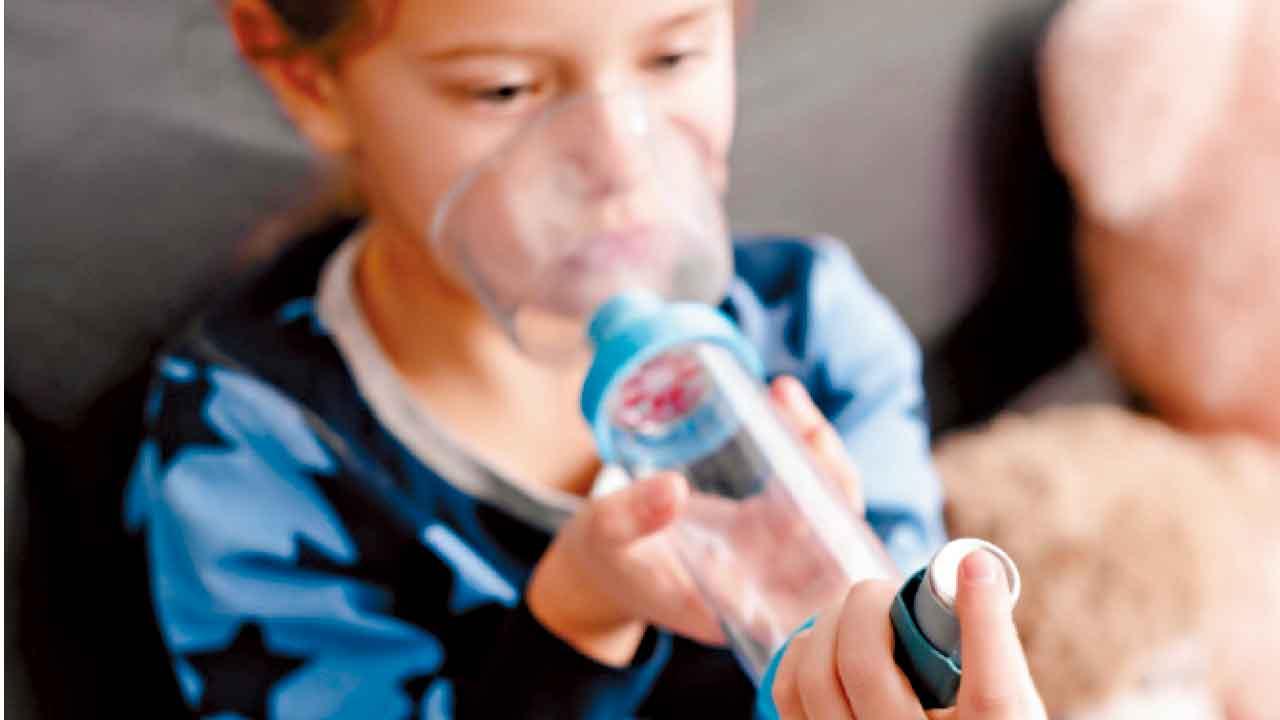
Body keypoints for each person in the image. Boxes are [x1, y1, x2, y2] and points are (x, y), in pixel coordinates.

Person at [124, 0, 1045, 716]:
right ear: (306, 79)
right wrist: (575, 624)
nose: (616, 161)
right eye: (503, 90)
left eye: (672, 59)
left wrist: (845, 611)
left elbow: (915, 675)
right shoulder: (252, 447)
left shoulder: (816, 332)